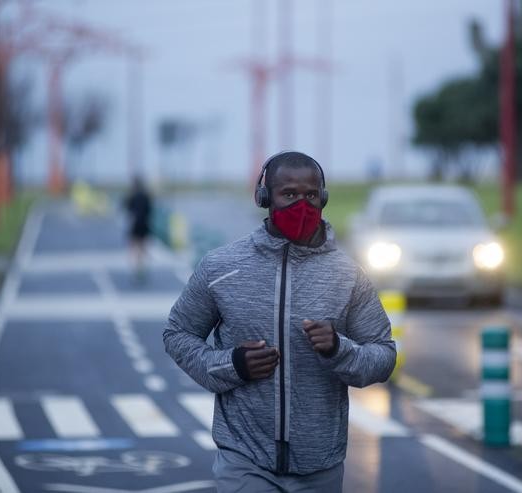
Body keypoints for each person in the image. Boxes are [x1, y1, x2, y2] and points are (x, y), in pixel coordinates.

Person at [163, 151, 396, 492]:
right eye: (289, 194)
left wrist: (338, 349)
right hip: (244, 459)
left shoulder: (347, 276)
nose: (301, 205)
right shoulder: (221, 266)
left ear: (324, 198)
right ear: (264, 197)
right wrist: (231, 365)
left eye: (311, 195)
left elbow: (384, 355)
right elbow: (177, 334)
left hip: (321, 465)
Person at [124, 176, 152, 280]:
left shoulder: (132, 196)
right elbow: (150, 211)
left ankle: (135, 268)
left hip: (135, 224)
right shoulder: (146, 196)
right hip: (145, 224)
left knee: (134, 248)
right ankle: (142, 267)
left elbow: (128, 209)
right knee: (143, 248)